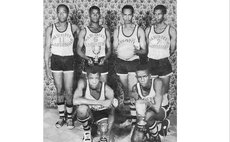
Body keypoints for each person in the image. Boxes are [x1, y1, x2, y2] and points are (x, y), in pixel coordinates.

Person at [44, 4, 80, 129]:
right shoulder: (50, 28)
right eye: (59, 12)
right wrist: (46, 67)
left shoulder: (74, 27)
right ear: (56, 13)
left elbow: (81, 43)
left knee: (69, 91)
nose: (61, 14)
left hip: (69, 59)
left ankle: (69, 117)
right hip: (56, 60)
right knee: (59, 90)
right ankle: (61, 117)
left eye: (64, 12)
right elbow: (47, 49)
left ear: (68, 13)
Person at [73, 66, 115, 142]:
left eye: (96, 78)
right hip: (89, 112)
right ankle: (87, 131)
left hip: (101, 114)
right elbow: (75, 101)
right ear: (87, 77)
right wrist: (100, 102)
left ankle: (101, 130)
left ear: (100, 77)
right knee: (81, 109)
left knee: (103, 130)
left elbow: (112, 112)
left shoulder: (108, 90)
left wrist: (106, 133)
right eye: (91, 78)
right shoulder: (83, 83)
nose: (94, 81)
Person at [113, 5, 147, 99]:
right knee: (125, 89)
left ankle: (134, 112)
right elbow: (114, 50)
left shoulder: (139, 30)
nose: (127, 17)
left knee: (133, 89)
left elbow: (144, 51)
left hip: (133, 61)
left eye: (129, 15)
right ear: (122, 15)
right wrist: (119, 51)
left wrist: (135, 51)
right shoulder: (117, 30)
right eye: (125, 15)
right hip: (121, 62)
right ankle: (127, 109)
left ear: (133, 15)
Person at [130, 64, 171, 142]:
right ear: (136, 77)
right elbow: (136, 109)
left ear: (149, 76)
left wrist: (144, 102)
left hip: (163, 109)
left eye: (144, 76)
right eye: (139, 77)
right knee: (135, 140)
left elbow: (157, 109)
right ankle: (159, 127)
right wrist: (135, 125)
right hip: (145, 113)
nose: (142, 80)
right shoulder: (135, 88)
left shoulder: (157, 82)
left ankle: (156, 137)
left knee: (148, 115)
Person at [145, 5, 177, 97]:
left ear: (164, 15)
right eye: (155, 14)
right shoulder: (148, 30)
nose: (156, 16)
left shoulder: (171, 30)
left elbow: (172, 49)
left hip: (164, 63)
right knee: (152, 92)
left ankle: (164, 110)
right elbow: (146, 48)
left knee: (164, 92)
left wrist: (162, 54)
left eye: (159, 14)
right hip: (151, 62)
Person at [77, 6, 111, 82]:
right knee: (88, 89)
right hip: (89, 62)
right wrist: (87, 58)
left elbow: (109, 50)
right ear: (89, 15)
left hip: (102, 62)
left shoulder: (105, 31)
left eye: (97, 13)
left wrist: (104, 58)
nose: (95, 16)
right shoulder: (84, 31)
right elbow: (78, 50)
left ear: (100, 15)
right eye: (93, 13)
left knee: (103, 88)